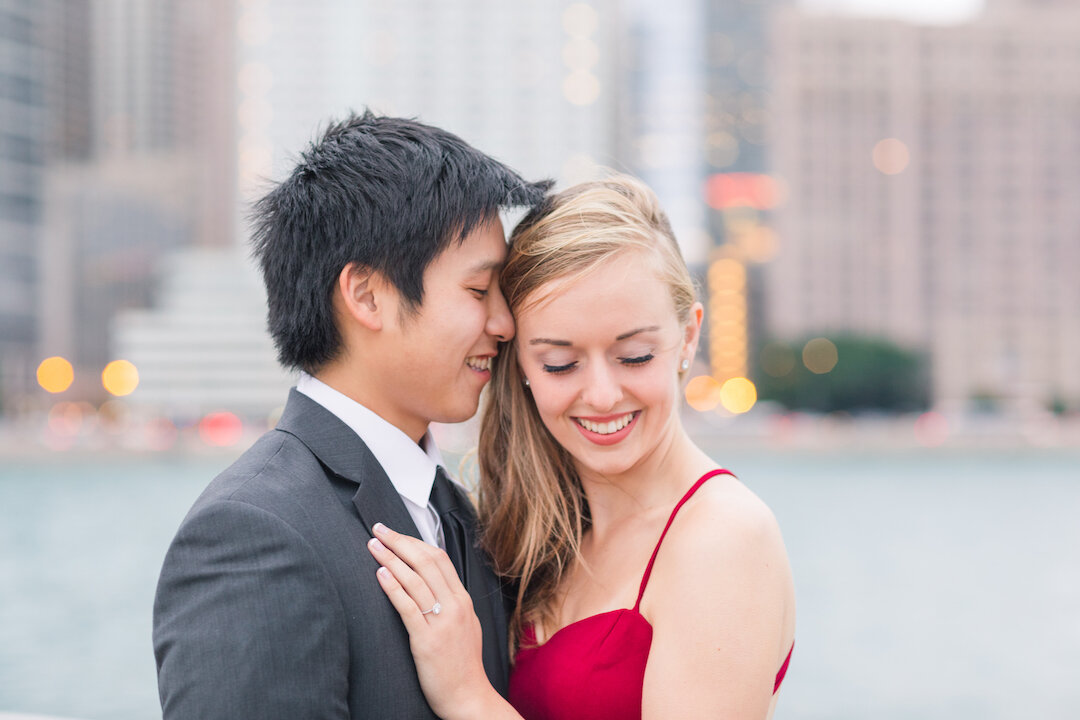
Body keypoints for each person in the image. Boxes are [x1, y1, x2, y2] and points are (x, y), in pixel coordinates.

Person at [152, 111, 550, 718]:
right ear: (366, 295)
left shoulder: (456, 511)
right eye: (479, 291)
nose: (504, 323)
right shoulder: (254, 534)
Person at [366, 174, 797, 719]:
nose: (600, 395)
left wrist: (466, 694)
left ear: (688, 337)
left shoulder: (724, 537)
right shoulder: (529, 530)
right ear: (518, 360)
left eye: (635, 355)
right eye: (560, 364)